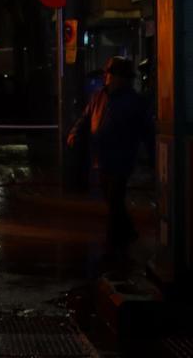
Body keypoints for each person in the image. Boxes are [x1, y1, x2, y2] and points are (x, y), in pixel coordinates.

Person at [66, 56, 154, 260]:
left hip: (122, 157)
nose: (106, 77)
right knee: (111, 198)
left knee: (115, 199)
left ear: (120, 78)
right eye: (107, 74)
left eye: (110, 74)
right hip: (103, 157)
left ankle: (113, 244)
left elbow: (146, 131)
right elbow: (86, 118)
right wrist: (75, 134)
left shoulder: (133, 101)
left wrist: (153, 156)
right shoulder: (99, 97)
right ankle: (128, 233)